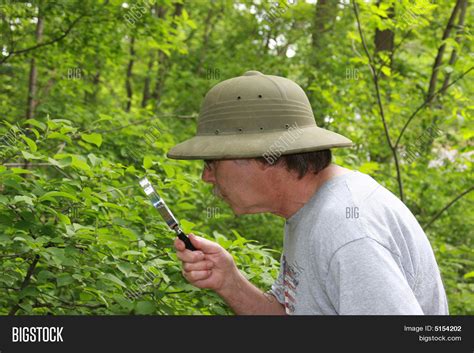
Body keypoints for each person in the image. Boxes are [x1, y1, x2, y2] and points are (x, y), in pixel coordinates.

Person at [167, 71, 449, 315]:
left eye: (212, 162)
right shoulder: (311, 211)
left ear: (267, 157)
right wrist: (229, 282)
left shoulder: (347, 228)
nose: (206, 177)